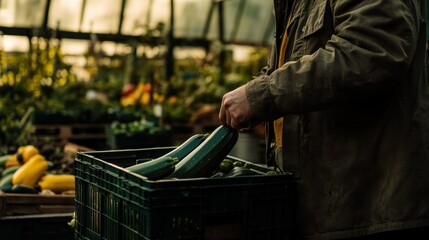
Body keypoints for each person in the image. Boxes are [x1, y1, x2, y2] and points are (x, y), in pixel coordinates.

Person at [219, 0, 429, 239]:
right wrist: (254, 92)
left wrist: (264, 94)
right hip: (328, 206)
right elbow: (298, 59)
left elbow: (371, 52)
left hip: (368, 210)